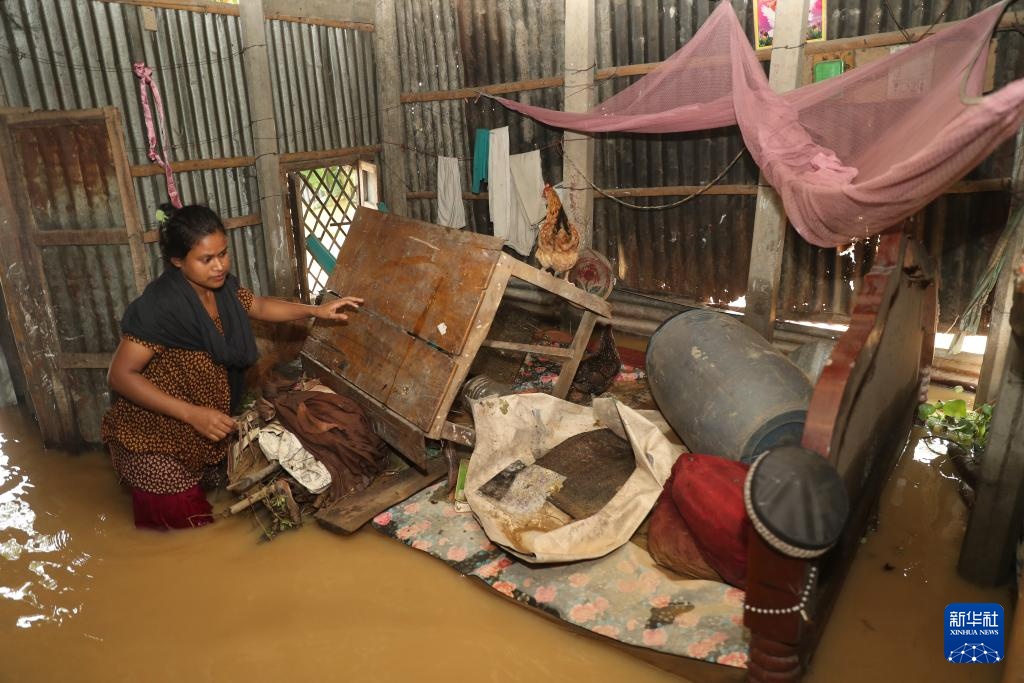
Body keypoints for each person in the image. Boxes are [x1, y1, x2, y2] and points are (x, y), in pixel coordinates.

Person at [101, 204, 361, 530]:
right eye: (206, 259)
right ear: (177, 261)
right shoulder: (160, 308)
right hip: (157, 439)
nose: (219, 265)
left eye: (223, 254)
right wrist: (191, 414)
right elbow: (121, 375)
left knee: (221, 505)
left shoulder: (223, 289)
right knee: (188, 533)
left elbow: (260, 305)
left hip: (205, 430)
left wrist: (316, 311)